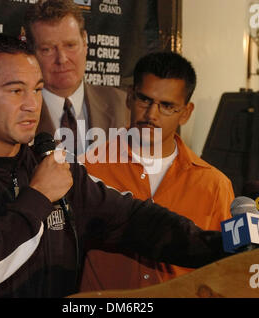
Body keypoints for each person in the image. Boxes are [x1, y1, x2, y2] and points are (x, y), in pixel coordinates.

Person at [0, 34, 227, 298]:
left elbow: (137, 220)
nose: (32, 104)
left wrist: (228, 245)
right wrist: (38, 198)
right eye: (16, 90)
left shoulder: (49, 168)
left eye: (37, 89)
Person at [79, 52, 235, 292]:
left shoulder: (214, 185)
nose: (151, 114)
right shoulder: (88, 168)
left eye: (167, 106)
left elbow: (226, 271)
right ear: (130, 97)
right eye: (145, 100)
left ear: (186, 112)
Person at [23, 0, 129, 156]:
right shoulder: (18, 112)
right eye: (47, 49)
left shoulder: (123, 106)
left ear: (85, 42)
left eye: (70, 45)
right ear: (31, 51)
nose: (62, 59)